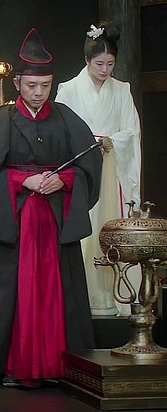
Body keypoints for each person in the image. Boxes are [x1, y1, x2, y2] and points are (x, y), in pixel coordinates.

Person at [0, 28, 102, 388]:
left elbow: (88, 166)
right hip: (15, 221)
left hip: (54, 221)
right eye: (31, 86)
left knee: (55, 292)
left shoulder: (67, 119)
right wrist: (21, 180)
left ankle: (60, 365)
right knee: (12, 292)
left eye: (45, 86)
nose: (39, 93)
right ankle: (12, 366)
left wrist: (64, 180)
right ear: (17, 83)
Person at [56, 21, 142, 316]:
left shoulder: (122, 90)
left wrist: (112, 141)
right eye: (99, 63)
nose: (105, 70)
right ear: (87, 60)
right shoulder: (68, 89)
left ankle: (113, 295)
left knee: (109, 227)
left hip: (111, 166)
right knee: (84, 228)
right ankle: (80, 297)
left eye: (110, 64)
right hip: (81, 166)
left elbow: (131, 131)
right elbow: (60, 130)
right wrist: (87, 143)